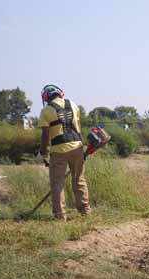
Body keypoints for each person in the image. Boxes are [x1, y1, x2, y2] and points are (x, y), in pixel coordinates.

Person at [38, 84, 91, 221]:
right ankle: (85, 210)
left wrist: (43, 152)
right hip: (78, 147)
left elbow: (45, 135)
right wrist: (82, 147)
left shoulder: (46, 111)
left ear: (46, 97)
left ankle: (60, 216)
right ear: (61, 94)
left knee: (57, 183)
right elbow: (78, 127)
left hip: (59, 150)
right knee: (79, 179)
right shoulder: (73, 105)